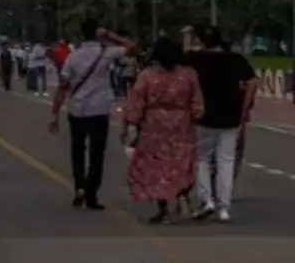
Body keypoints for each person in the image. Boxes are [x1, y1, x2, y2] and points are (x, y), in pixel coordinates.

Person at [49, 19, 135, 210]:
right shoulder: (107, 52)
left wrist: (55, 114)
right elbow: (132, 47)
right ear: (99, 33)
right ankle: (91, 193)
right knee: (97, 153)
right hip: (99, 110)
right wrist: (110, 35)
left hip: (77, 109)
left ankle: (79, 186)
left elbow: (63, 87)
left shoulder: (74, 57)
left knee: (77, 151)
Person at [122, 37, 203, 224]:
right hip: (181, 125)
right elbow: (198, 105)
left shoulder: (148, 75)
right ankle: (182, 195)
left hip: (155, 126)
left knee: (157, 167)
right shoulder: (189, 75)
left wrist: (130, 124)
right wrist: (194, 116)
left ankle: (164, 208)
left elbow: (136, 102)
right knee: (181, 163)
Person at [183, 24, 257, 223]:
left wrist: (187, 38)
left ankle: (206, 200)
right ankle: (224, 207)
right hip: (231, 116)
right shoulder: (235, 59)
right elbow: (252, 81)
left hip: (203, 117)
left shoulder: (195, 59)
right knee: (226, 161)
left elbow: (181, 62)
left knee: (202, 159)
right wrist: (244, 108)